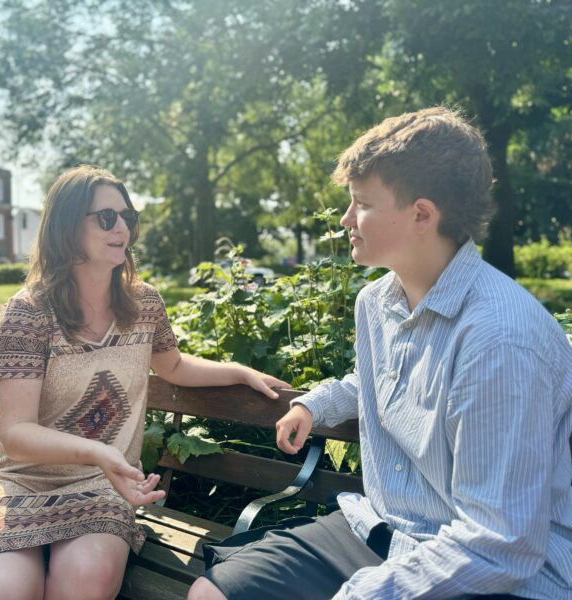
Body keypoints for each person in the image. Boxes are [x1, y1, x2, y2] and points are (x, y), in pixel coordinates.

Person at [189, 107, 572, 600]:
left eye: (361, 204)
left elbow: (499, 546)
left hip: (495, 574)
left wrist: (362, 595)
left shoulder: (500, 340)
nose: (347, 220)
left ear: (421, 215)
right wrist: (317, 403)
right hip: (387, 529)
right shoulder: (377, 301)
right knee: (211, 593)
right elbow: (388, 376)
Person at [0, 165, 289, 600]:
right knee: (3, 592)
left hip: (101, 484)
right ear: (66, 226)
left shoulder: (144, 303)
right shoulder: (29, 312)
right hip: (19, 478)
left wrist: (241, 372)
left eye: (127, 217)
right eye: (105, 218)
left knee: (84, 582)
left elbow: (174, 367)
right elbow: (16, 434)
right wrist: (100, 452)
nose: (122, 228)